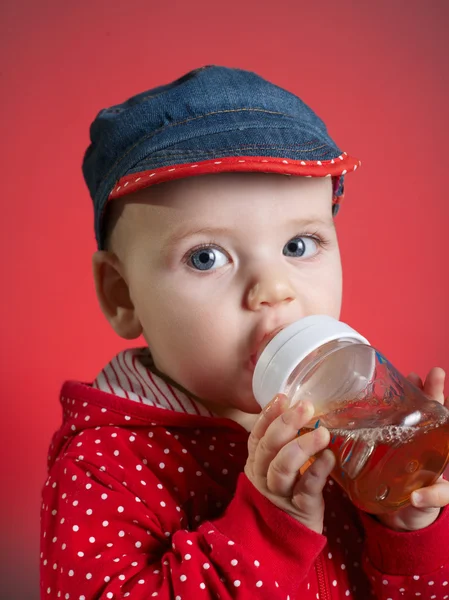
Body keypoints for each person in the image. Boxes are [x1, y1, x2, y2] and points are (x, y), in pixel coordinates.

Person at [40, 65, 449, 599]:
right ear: (122, 295)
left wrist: (406, 532)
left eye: (299, 245)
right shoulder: (105, 469)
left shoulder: (355, 427)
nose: (273, 289)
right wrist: (268, 527)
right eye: (206, 257)